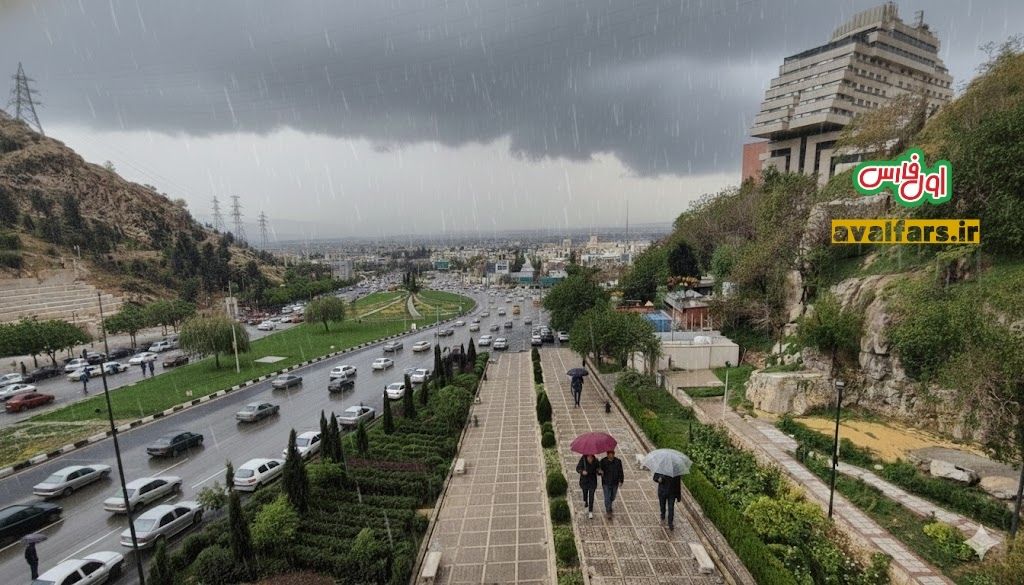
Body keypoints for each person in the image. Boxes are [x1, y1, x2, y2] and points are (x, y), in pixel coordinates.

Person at [599, 450, 624, 517]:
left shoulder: (618, 461)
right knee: (607, 497)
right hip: (606, 482)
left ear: (614, 454)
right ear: (607, 455)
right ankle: (608, 511)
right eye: (609, 454)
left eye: (612, 454)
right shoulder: (603, 461)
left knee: (612, 497)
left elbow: (621, 471)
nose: (611, 456)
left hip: (615, 483)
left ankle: (609, 505)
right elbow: (599, 470)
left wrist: (621, 481)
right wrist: (600, 472)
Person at [576, 454, 599, 519]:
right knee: (585, 494)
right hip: (584, 481)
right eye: (589, 457)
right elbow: (577, 468)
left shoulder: (596, 461)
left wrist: (599, 472)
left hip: (592, 482)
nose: (590, 458)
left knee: (591, 495)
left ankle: (590, 511)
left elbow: (598, 470)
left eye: (591, 457)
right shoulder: (583, 459)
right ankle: (586, 503)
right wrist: (582, 471)